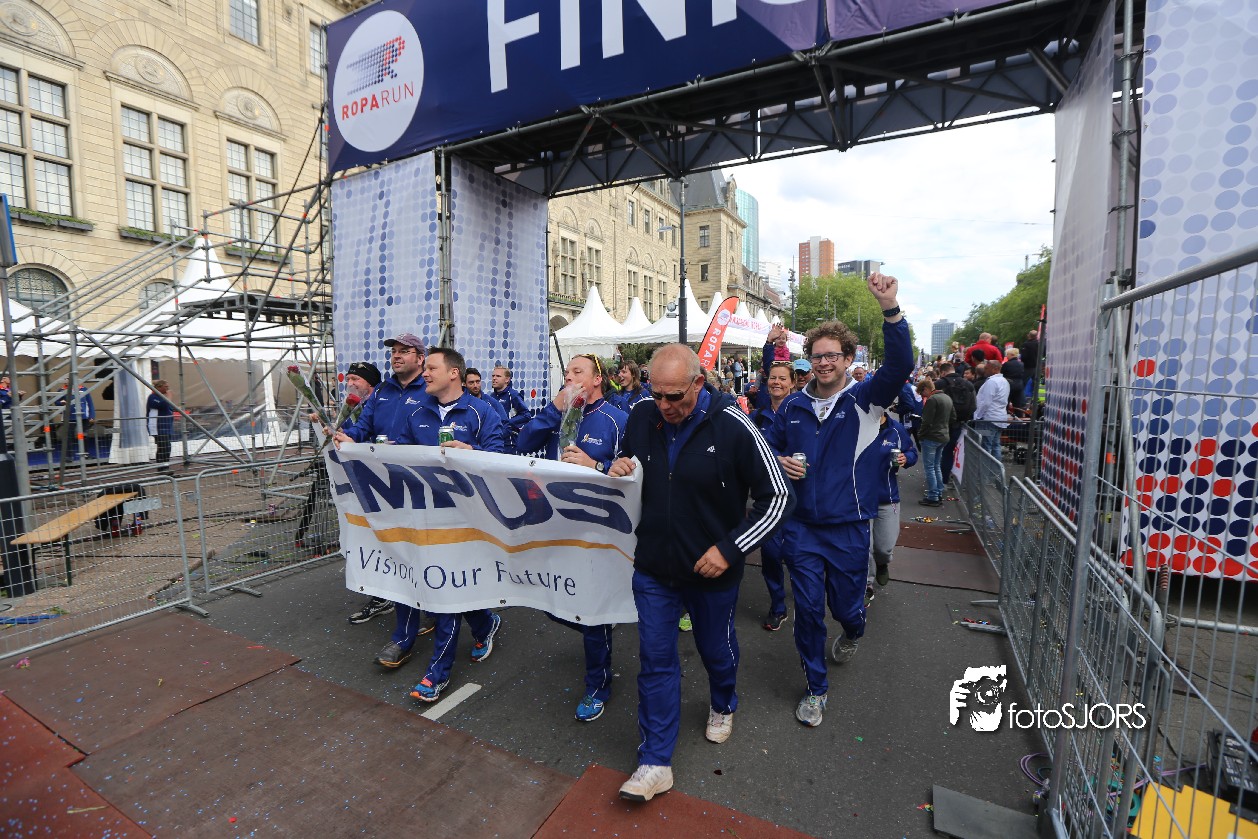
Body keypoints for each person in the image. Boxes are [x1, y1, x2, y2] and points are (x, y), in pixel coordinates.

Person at [608, 344, 793, 802]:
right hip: (654, 568)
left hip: (713, 572)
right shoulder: (641, 415)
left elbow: (778, 497)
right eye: (657, 394)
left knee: (715, 650)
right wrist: (618, 467)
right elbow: (627, 463)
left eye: (674, 396)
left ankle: (723, 700)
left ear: (698, 382)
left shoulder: (733, 424)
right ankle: (655, 762)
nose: (664, 406)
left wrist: (730, 550)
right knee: (655, 660)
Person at [763, 272, 912, 728]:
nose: (824, 362)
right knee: (808, 610)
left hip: (849, 527)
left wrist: (889, 308)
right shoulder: (793, 406)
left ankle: (853, 630)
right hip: (802, 528)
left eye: (833, 355)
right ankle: (815, 687)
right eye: (818, 355)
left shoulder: (866, 399)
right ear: (809, 360)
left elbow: (900, 365)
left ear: (848, 359)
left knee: (847, 608)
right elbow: (768, 448)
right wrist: (780, 460)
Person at [515, 353, 628, 722]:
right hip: (556, 525)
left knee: (590, 611)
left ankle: (598, 684)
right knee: (554, 604)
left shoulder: (616, 419)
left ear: (597, 380)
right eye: (566, 372)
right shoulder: (561, 414)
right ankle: (603, 624)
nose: (569, 377)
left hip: (597, 530)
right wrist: (554, 408)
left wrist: (595, 466)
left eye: (577, 372)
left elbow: (632, 474)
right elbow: (523, 443)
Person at [398, 347, 507, 702]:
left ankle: (437, 673)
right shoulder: (416, 411)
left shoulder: (482, 411)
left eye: (431, 367)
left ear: (453, 373)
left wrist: (471, 454)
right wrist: (355, 448)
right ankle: (485, 622)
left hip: (469, 517)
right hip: (427, 516)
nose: (425, 373)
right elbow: (396, 455)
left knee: (446, 591)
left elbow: (501, 460)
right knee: (450, 585)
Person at [334, 333, 437, 651]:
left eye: (404, 351)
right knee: (399, 556)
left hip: (424, 491)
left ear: (420, 358)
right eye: (393, 351)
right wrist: (347, 436)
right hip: (387, 490)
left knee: (431, 556)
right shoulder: (381, 391)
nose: (396, 356)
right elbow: (362, 428)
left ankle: (475, 618)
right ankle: (402, 637)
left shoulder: (431, 390)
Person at [314, 362, 390, 621]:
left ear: (370, 382)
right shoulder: (357, 407)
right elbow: (354, 432)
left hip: (385, 484)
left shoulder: (382, 403)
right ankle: (381, 592)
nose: (350, 383)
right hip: (365, 483)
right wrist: (332, 430)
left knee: (385, 538)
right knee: (368, 536)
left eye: (356, 379)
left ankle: (392, 594)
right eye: (349, 379)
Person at [750, 359, 795, 631]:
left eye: (782, 378)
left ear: (792, 383)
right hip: (770, 498)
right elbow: (751, 452)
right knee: (770, 553)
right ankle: (778, 605)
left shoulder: (802, 412)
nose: (776, 382)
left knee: (798, 554)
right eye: (772, 378)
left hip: (800, 497)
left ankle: (806, 595)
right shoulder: (758, 416)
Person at [868, 412, 917, 592]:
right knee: (864, 547)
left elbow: (911, 451)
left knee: (884, 547)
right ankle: (866, 585)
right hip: (860, 498)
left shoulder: (896, 429)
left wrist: (906, 458)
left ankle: (882, 563)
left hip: (886, 498)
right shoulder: (857, 425)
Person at [935, 361, 975, 485]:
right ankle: (944, 480)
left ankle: (937, 480)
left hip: (941, 423)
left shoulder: (939, 384)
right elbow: (973, 406)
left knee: (937, 451)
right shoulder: (968, 385)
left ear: (943, 372)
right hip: (959, 423)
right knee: (949, 451)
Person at [917, 378, 955, 506]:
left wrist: (920, 435)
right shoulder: (947, 398)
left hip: (931, 437)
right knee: (936, 465)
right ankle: (938, 491)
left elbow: (926, 421)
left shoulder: (932, 400)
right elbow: (953, 417)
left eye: (922, 393)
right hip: (944, 436)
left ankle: (933, 495)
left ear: (926, 389)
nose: (922, 396)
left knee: (929, 467)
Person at [972, 359, 1010, 460]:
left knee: (986, 446)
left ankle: (986, 467)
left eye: (987, 368)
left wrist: (977, 416)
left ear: (995, 369)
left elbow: (986, 402)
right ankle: (996, 468)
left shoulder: (992, 382)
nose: (985, 370)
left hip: (988, 419)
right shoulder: (1004, 381)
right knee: (995, 445)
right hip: (999, 418)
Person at [489, 365, 532, 445]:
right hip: (495, 440)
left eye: (498, 376)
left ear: (507, 380)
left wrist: (508, 423)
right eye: (493, 376)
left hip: (509, 442)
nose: (494, 378)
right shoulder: (491, 396)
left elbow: (526, 415)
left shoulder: (513, 395)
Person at [146, 380, 178, 469]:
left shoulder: (162, 397)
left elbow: (168, 408)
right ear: (159, 387)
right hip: (158, 427)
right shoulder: (152, 397)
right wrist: (169, 396)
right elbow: (163, 405)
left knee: (166, 447)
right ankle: (161, 468)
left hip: (166, 426)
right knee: (163, 447)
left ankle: (164, 467)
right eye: (166, 387)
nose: (168, 389)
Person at [1002, 347, 1026, 411]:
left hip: (1009, 385)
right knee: (1018, 404)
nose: (1006, 356)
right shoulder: (1021, 364)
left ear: (1012, 355)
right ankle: (1018, 416)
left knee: (1006, 403)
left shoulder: (1006, 364)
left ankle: (1006, 414)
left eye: (1007, 354)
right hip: (1019, 385)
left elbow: (1002, 374)